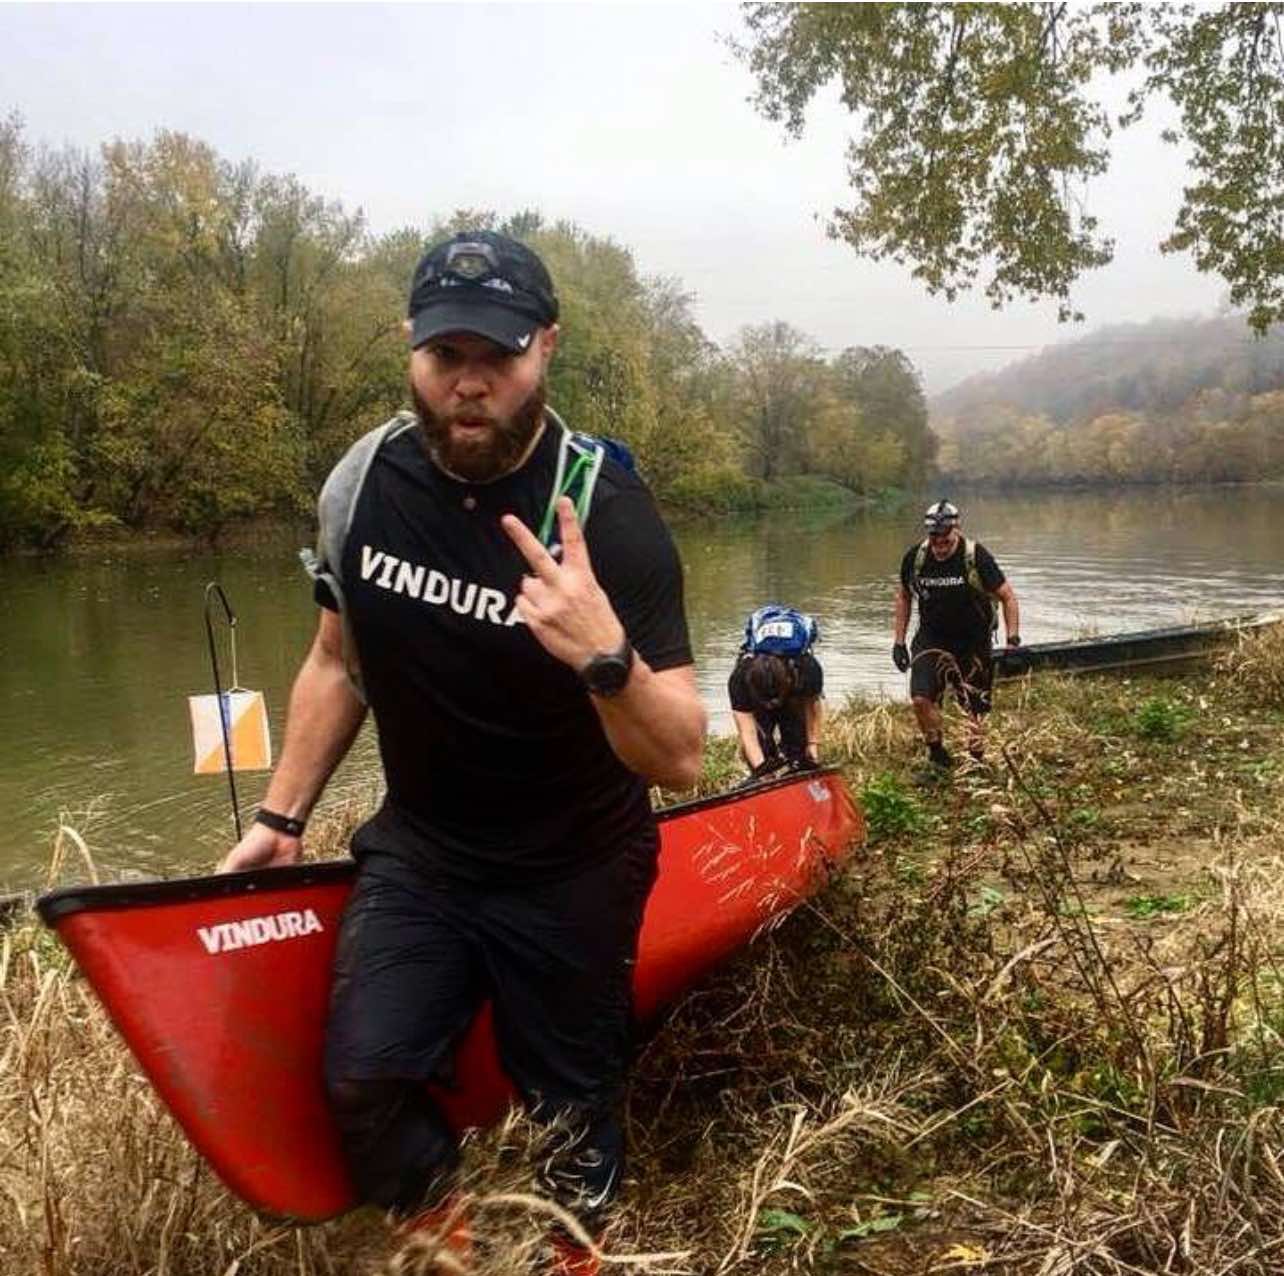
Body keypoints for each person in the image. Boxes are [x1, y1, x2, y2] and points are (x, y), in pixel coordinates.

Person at [219, 229, 707, 1264]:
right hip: (427, 853)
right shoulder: (364, 484)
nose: (470, 384)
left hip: (575, 861)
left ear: (548, 349)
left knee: (570, 1115)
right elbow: (334, 663)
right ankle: (458, 1248)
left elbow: (682, 759)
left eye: (500, 355)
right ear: (410, 349)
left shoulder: (605, 514)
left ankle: (579, 1249)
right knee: (362, 1080)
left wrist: (603, 654)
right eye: (447, 358)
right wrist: (278, 817)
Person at [892, 500, 1020, 767]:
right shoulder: (916, 557)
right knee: (920, 699)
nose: (939, 543)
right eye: (934, 537)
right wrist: (899, 642)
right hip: (931, 639)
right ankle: (937, 753)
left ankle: (975, 759)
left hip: (972, 642)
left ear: (957, 529)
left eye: (945, 538)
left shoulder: (975, 556)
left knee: (974, 709)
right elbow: (904, 596)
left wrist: (1013, 642)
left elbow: (1008, 597)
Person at [728, 606, 823, 782]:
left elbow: (812, 707)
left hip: (793, 696)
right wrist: (761, 771)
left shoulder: (807, 669)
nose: (772, 704)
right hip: (758, 697)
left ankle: (798, 775)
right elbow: (747, 731)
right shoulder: (740, 678)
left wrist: (813, 746)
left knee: (799, 749)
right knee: (761, 748)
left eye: (775, 699)